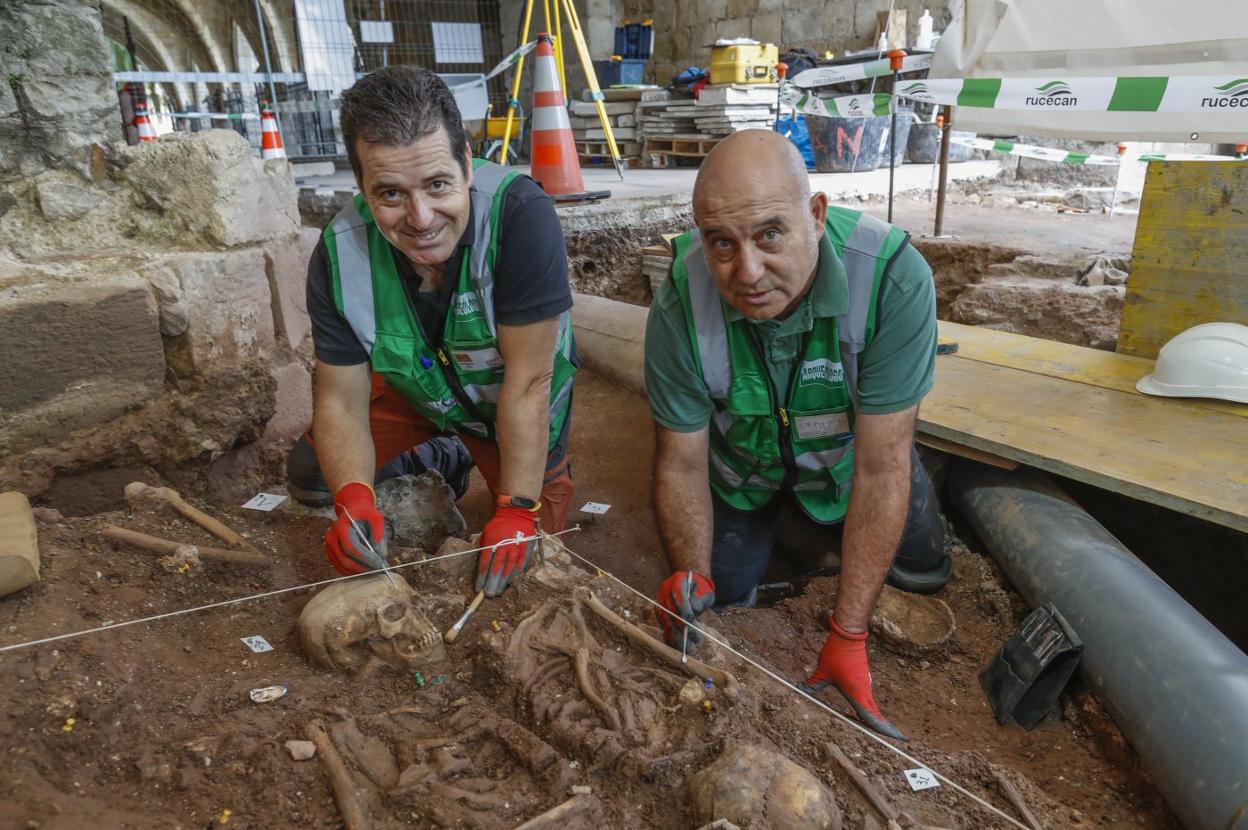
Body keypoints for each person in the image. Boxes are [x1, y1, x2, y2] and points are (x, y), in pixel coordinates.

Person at [644, 130, 951, 740]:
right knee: (720, 601)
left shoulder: (892, 279)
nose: (747, 272)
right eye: (722, 244)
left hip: (850, 463)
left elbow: (881, 467)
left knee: (924, 573)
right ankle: (784, 522)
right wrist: (691, 570)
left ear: (815, 215)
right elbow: (680, 463)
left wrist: (848, 632)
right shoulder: (681, 297)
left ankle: (812, 519)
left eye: (770, 234)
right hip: (741, 471)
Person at [287, 66, 577, 597]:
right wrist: (353, 499)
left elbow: (529, 383)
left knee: (531, 555)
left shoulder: (520, 216)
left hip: (509, 401)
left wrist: (516, 508)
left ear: (467, 162)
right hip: (418, 391)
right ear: (361, 186)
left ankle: (470, 449)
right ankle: (444, 454)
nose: (420, 219)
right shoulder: (337, 254)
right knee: (313, 480)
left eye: (438, 184)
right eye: (391, 194)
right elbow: (341, 405)